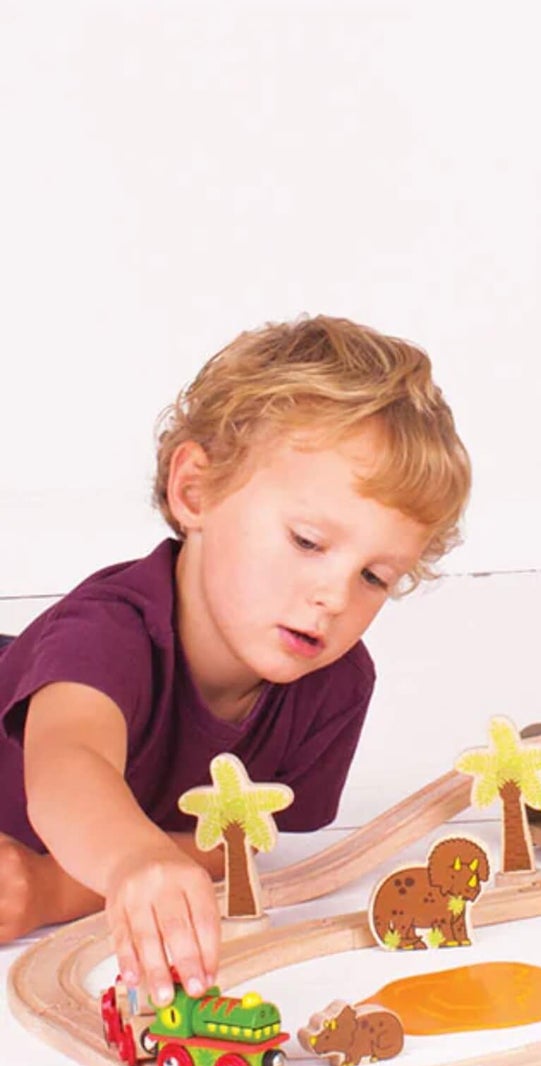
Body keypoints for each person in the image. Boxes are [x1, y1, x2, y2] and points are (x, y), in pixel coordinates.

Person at [0, 316, 471, 1007]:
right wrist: (119, 864)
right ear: (195, 491)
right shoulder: (104, 634)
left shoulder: (334, 686)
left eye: (375, 576)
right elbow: (67, 765)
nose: (334, 595)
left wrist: (52, 887)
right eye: (308, 541)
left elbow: (233, 845)